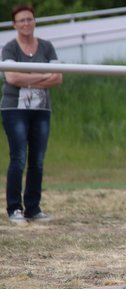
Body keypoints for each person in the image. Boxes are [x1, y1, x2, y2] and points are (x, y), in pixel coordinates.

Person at [1, 4, 63, 225]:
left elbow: (58, 77)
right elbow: (12, 79)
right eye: (22, 20)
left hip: (41, 110)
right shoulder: (9, 48)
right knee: (18, 158)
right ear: (15, 24)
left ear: (34, 21)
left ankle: (33, 208)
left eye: (29, 19)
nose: (26, 23)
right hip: (14, 109)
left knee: (37, 160)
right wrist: (41, 75)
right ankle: (14, 208)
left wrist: (27, 74)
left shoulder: (46, 47)